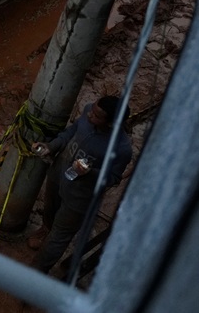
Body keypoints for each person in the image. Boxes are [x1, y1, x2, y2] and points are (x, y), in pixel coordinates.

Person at [28, 96, 133, 275]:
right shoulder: (87, 112)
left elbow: (114, 178)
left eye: (97, 115)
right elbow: (72, 131)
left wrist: (89, 172)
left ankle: (37, 271)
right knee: (50, 209)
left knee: (60, 236)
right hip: (59, 174)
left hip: (79, 197)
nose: (90, 114)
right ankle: (45, 228)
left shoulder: (121, 149)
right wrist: (51, 147)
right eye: (92, 109)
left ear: (111, 124)